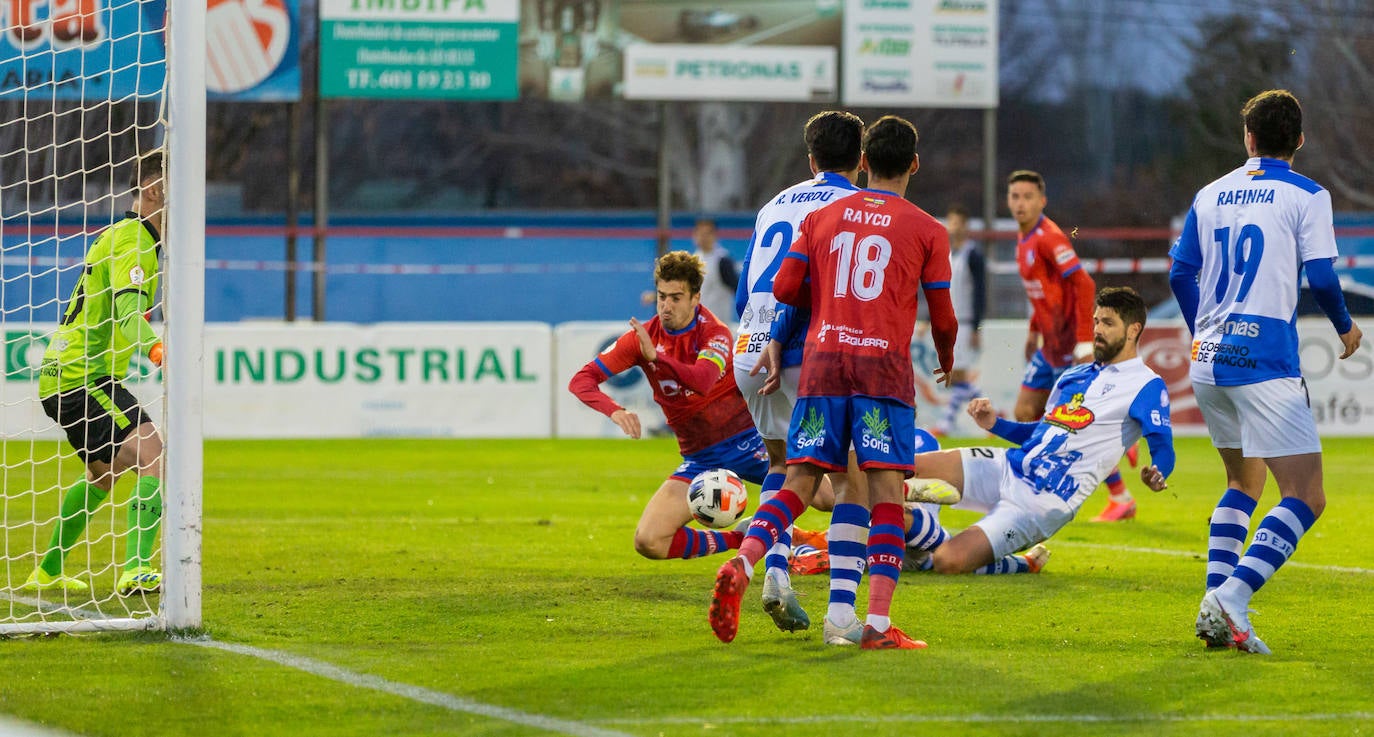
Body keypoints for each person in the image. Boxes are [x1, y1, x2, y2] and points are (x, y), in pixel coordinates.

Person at [708, 115, 957, 650]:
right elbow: (943, 315)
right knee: (874, 489)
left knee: (794, 477)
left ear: (866, 160)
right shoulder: (926, 227)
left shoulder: (806, 212)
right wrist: (946, 356)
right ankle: (862, 621)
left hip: (804, 356)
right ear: (913, 164)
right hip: (877, 369)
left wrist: (771, 336)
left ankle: (750, 564)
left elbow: (784, 285)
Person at [1171, 89, 1363, 654]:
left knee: (1242, 482)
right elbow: (1324, 279)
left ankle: (1216, 610)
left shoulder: (1210, 194)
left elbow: (1182, 273)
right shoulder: (1308, 194)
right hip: (1265, 358)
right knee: (1306, 494)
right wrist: (1346, 327)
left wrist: (1203, 330)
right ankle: (1230, 600)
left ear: (1248, 138)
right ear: (1299, 140)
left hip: (1209, 360)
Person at [568, 250, 830, 562]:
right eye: (662, 297)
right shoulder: (643, 338)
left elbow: (702, 380)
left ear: (695, 297)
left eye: (676, 297)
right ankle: (742, 538)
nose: (666, 306)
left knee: (828, 498)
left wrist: (658, 359)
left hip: (751, 442)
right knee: (649, 541)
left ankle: (893, 520)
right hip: (700, 459)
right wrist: (615, 410)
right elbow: (581, 380)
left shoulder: (713, 331)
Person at [904, 288, 1173, 578]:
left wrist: (1159, 472)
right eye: (1096, 321)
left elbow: (1163, 446)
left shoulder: (1146, 385)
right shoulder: (1074, 376)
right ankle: (916, 525)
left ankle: (1023, 563)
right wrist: (995, 424)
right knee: (900, 471)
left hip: (1042, 501)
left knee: (947, 561)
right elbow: (1043, 433)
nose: (1097, 330)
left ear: (1134, 330)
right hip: (1008, 466)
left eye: (1108, 323)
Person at [731, 109, 863, 634]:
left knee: (783, 466)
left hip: (749, 345)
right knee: (848, 479)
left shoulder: (775, 203)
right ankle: (842, 616)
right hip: (802, 348)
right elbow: (822, 285)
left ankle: (777, 575)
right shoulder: (858, 206)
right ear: (861, 160)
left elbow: (745, 291)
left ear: (811, 159)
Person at [23, 150, 168, 597]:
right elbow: (128, 316)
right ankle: (136, 568)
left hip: (66, 372)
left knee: (104, 476)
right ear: (153, 190)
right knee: (153, 456)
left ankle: (46, 570)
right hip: (82, 376)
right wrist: (157, 348)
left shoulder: (123, 234)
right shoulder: (136, 241)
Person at [1007, 169, 1137, 523]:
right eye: (1015, 196)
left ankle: (1120, 496)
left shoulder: (1050, 238)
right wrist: (1033, 331)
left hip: (1067, 345)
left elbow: (1082, 284)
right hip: (1048, 344)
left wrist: (1084, 339)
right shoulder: (1023, 239)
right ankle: (1040, 481)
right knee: (1024, 411)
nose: (1020, 203)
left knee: (1078, 423)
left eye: (1028, 197)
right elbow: (1043, 293)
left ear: (1042, 201)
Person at [929, 204, 986, 437]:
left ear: (966, 226)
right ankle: (994, 412)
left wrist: (976, 326)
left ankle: (946, 422)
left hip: (965, 320)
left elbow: (980, 291)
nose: (955, 227)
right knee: (956, 375)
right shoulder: (947, 253)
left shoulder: (974, 255)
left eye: (959, 223)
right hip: (950, 320)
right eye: (951, 222)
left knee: (957, 373)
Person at [691, 218, 740, 328]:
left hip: (717, 326)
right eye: (700, 233)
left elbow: (737, 289)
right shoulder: (693, 260)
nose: (703, 238)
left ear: (714, 235)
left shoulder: (722, 261)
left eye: (707, 234)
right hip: (696, 325)